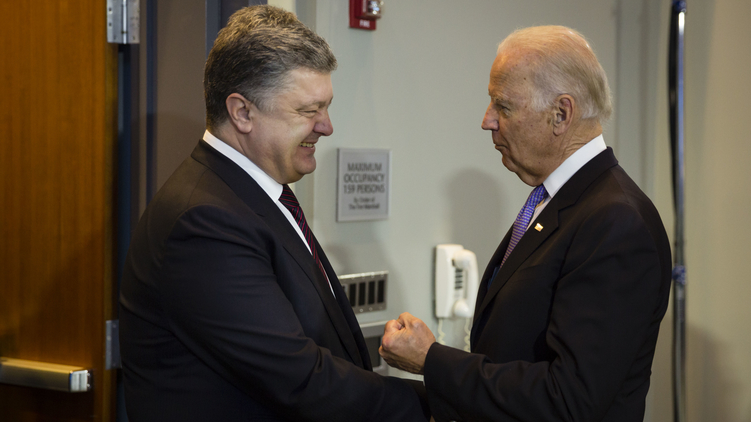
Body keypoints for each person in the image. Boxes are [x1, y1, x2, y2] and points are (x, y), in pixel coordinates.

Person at [119, 6, 429, 421]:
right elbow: (298, 378)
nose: (326, 126)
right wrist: (435, 404)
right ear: (242, 113)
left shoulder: (254, 194)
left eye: (326, 107)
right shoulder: (205, 221)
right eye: (308, 111)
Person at [379, 25, 672, 422]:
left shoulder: (615, 222)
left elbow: (568, 401)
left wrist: (432, 360)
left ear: (561, 114)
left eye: (503, 106)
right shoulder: (558, 200)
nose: (487, 121)